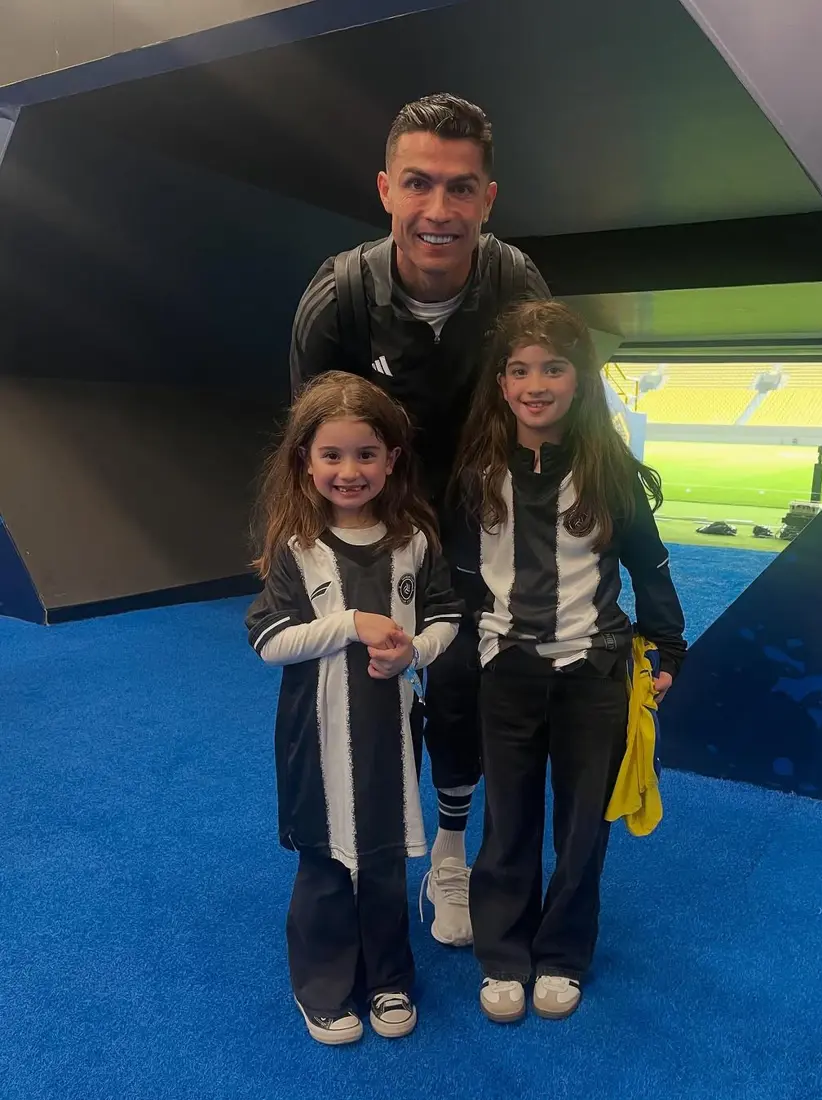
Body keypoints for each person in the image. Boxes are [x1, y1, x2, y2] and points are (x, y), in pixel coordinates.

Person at [289, 93, 550, 946]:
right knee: (374, 686)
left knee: (464, 686)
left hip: (478, 518)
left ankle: (449, 853)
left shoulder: (514, 286)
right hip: (381, 519)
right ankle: (364, 846)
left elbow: (547, 418)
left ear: (488, 198)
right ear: (386, 190)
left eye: (460, 187)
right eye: (418, 184)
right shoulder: (339, 298)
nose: (439, 209)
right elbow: (312, 447)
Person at [449, 300, 687, 1023]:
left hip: (596, 674)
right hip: (507, 675)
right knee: (508, 821)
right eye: (520, 370)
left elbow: (650, 566)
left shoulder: (609, 472)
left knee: (584, 827)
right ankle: (502, 954)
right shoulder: (476, 475)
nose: (536, 384)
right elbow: (461, 582)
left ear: (579, 380)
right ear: (500, 384)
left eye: (553, 368)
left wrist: (668, 646)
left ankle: (562, 955)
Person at [245, 372, 463, 1045]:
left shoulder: (414, 541)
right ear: (305, 461)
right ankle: (323, 986)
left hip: (389, 735)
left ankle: (389, 977)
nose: (349, 471)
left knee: (386, 857)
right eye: (332, 455)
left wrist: (413, 652)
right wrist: (349, 624)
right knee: (326, 860)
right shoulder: (297, 549)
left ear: (391, 460)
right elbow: (269, 641)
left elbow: (447, 617)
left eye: (365, 454)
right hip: (315, 739)